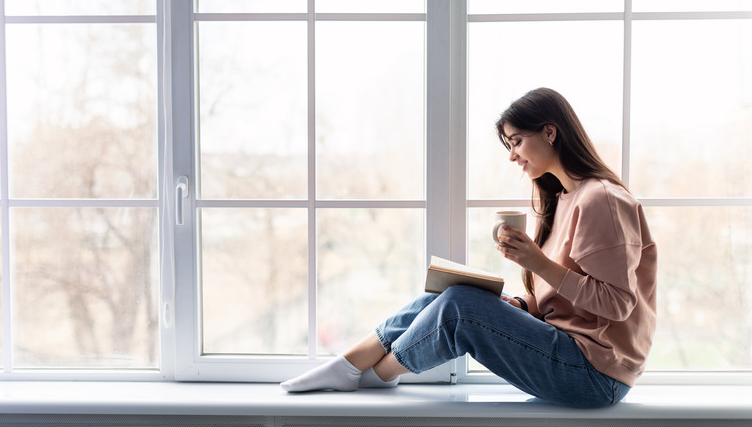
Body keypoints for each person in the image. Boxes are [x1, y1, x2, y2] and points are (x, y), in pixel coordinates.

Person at [280, 87, 657, 409]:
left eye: (516, 142)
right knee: (456, 291)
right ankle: (350, 363)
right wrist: (524, 305)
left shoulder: (602, 200)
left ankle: (377, 376)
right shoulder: (564, 200)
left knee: (462, 307)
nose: (512, 155)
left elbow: (617, 304)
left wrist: (537, 263)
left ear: (549, 132)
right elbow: (568, 302)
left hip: (595, 375)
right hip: (572, 356)